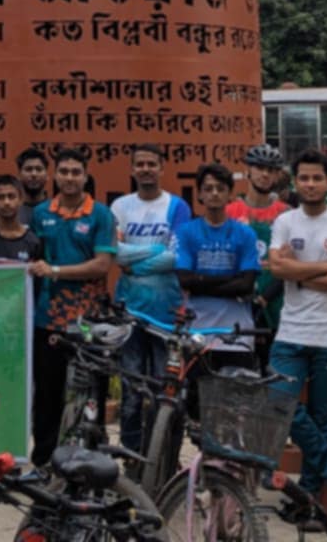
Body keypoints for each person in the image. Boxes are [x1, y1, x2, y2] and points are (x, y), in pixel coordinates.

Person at [269, 149, 327, 527]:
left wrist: (299, 272)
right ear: (295, 182)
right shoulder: (285, 221)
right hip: (290, 331)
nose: (310, 184)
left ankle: (306, 502)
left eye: (316, 178)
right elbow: (276, 268)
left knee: (322, 420)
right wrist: (325, 266)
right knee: (281, 404)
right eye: (303, 178)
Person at [28, 150, 117, 466]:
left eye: (75, 172)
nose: (69, 177)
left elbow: (102, 264)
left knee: (91, 395)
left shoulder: (101, 215)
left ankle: (93, 464)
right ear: (55, 176)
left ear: (85, 174)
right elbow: (25, 251)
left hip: (89, 324)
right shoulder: (40, 213)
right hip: (48, 320)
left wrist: (55, 271)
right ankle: (43, 463)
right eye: (63, 171)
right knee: (47, 398)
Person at [111, 143, 191, 452]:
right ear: (132, 169)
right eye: (140, 164)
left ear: (162, 168)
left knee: (165, 388)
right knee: (131, 390)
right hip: (129, 308)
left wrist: (136, 263)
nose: (145, 169)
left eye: (151, 164)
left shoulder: (177, 207)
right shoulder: (120, 207)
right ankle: (131, 455)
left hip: (166, 312)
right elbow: (115, 252)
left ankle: (165, 457)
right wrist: (156, 251)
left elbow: (176, 256)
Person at [176, 163, 260, 373]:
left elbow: (247, 285)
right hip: (198, 332)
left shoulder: (245, 234)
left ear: (230, 194)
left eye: (220, 188)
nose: (214, 193)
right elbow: (184, 280)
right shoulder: (187, 231)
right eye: (208, 188)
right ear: (200, 194)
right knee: (195, 399)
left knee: (235, 401)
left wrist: (201, 282)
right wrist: (232, 281)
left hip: (237, 332)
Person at [226, 143, 288, 334]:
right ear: (248, 171)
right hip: (236, 301)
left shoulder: (286, 214)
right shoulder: (229, 212)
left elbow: (292, 264)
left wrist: (266, 296)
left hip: (278, 302)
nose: (265, 174)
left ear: (277, 175)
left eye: (271, 170)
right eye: (259, 168)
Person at [16, 148, 50, 225]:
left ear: (47, 176)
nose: (34, 174)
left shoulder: (56, 212)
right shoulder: (10, 212)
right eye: (28, 169)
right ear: (19, 176)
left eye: (39, 169)